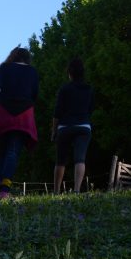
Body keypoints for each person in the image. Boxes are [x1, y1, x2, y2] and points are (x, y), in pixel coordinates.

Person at [0, 47, 39, 198]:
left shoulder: (4, 68)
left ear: (13, 56)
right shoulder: (32, 71)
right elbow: (35, 93)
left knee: (1, 149)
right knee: (13, 151)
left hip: (3, 112)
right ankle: (5, 188)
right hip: (23, 115)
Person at [52, 59, 93, 194]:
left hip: (65, 127)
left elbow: (57, 112)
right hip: (83, 126)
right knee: (80, 158)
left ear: (70, 73)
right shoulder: (88, 89)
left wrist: (54, 131)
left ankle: (56, 191)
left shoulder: (64, 89)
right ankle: (76, 190)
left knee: (60, 160)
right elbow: (91, 108)